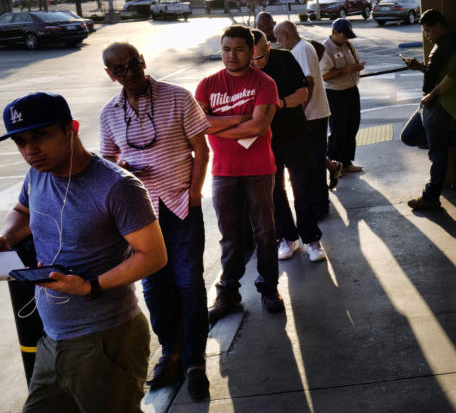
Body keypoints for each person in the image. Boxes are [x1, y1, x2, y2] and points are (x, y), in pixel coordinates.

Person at [0, 92, 166, 412]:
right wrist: (6, 237)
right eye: (20, 142)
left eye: (40, 136)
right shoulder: (37, 174)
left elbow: (154, 254)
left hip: (105, 340)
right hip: (52, 339)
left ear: (70, 129)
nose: (30, 150)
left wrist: (92, 286)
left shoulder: (118, 186)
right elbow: (22, 211)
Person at [99, 43, 212, 400]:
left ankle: (195, 361)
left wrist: (194, 193)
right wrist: (124, 170)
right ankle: (171, 353)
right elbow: (106, 162)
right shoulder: (109, 114)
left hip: (180, 205)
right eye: (121, 69)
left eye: (135, 64)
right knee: (154, 287)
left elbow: (202, 149)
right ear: (110, 75)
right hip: (140, 217)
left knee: (188, 282)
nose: (130, 72)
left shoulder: (177, 97)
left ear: (144, 62)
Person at [195, 25, 284, 320]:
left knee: (265, 232)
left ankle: (269, 288)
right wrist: (242, 117)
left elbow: (259, 127)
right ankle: (228, 293)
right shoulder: (207, 84)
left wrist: (222, 126)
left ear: (252, 51)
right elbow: (200, 125)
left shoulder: (265, 83)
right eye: (226, 49)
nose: (231, 55)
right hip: (223, 172)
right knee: (229, 236)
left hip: (259, 169)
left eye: (239, 49)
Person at [251, 29, 326, 262]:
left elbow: (303, 93)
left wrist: (279, 104)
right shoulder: (244, 69)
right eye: (251, 59)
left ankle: (311, 238)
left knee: (302, 185)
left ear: (268, 48)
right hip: (265, 140)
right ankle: (287, 237)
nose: (256, 63)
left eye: (260, 58)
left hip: (294, 133)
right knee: (274, 190)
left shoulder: (285, 58)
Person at [400, 9, 456, 210]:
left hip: (437, 105)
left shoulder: (452, 43)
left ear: (438, 25)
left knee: (437, 154)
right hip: (428, 104)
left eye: (428, 30)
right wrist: (420, 67)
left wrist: (433, 95)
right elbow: (438, 72)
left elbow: (453, 76)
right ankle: (452, 139)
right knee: (408, 136)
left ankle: (431, 196)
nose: (426, 35)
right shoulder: (439, 45)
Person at [274, 20, 333, 213]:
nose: (277, 42)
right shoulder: (303, 47)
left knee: (315, 161)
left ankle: (320, 205)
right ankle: (318, 201)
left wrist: (301, 113)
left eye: (278, 38)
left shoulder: (301, 50)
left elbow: (309, 82)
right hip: (314, 113)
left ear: (286, 34)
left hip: (313, 115)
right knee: (313, 160)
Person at [319, 18, 365, 174]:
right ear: (335, 32)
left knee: (352, 126)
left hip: (351, 90)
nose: (347, 39)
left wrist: (357, 67)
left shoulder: (348, 45)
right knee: (338, 130)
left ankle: (346, 162)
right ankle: (334, 164)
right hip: (335, 94)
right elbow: (323, 76)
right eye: (345, 35)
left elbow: (354, 61)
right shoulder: (325, 49)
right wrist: (346, 70)